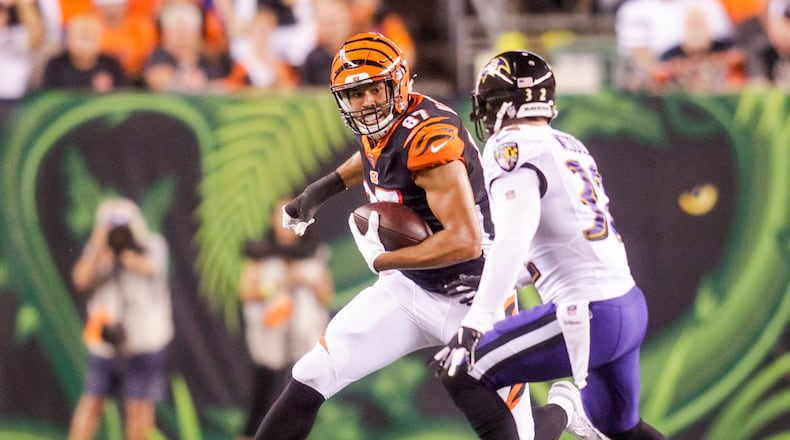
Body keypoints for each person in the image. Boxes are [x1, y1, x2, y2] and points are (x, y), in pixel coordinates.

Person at [253, 32, 535, 439]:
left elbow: (464, 242)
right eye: (355, 93)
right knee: (313, 372)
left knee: (515, 435)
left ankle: (563, 408)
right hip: (410, 289)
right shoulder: (382, 124)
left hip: (472, 297)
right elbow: (372, 154)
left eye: (374, 89)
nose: (366, 102)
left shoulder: (429, 140)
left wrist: (383, 260)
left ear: (399, 83)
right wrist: (319, 192)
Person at [432, 50, 667, 440]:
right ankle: (565, 410)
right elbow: (562, 239)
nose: (487, 116)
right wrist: (513, 279)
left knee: (462, 371)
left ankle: (556, 413)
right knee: (624, 431)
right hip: (626, 306)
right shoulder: (568, 144)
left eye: (490, 105)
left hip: (588, 315)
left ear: (508, 105)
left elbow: (513, 237)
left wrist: (474, 323)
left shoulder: (511, 148)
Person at [68, 197, 174, 440]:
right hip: (104, 341)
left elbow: (152, 269)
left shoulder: (153, 245)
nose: (118, 233)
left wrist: (126, 252)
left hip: (144, 342)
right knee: (92, 401)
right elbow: (81, 279)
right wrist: (99, 247)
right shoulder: (98, 249)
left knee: (139, 407)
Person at [237, 199, 333, 440]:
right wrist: (280, 283)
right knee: (260, 405)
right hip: (269, 340)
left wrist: (305, 279)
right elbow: (247, 292)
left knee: (297, 405)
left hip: (303, 342)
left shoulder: (314, 253)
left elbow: (325, 295)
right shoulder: (260, 254)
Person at [41, 12, 127, 91]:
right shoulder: (55, 66)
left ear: (99, 40)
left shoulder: (111, 65)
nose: (84, 45)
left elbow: (122, 98)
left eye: (89, 38)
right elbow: (48, 98)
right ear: (68, 40)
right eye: (79, 38)